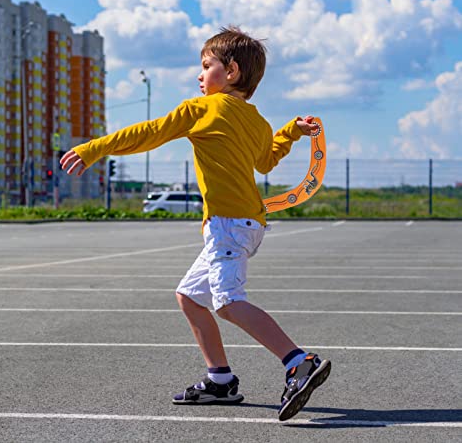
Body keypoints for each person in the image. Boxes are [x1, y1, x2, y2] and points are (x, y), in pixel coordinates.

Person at [60, 26, 331, 421]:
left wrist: (94, 147)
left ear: (231, 72)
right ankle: (220, 380)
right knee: (189, 296)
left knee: (228, 302)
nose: (199, 76)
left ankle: (298, 362)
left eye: (206, 66)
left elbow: (149, 133)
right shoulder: (255, 121)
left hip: (228, 224)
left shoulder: (201, 109)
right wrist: (290, 131)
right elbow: (267, 160)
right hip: (247, 225)